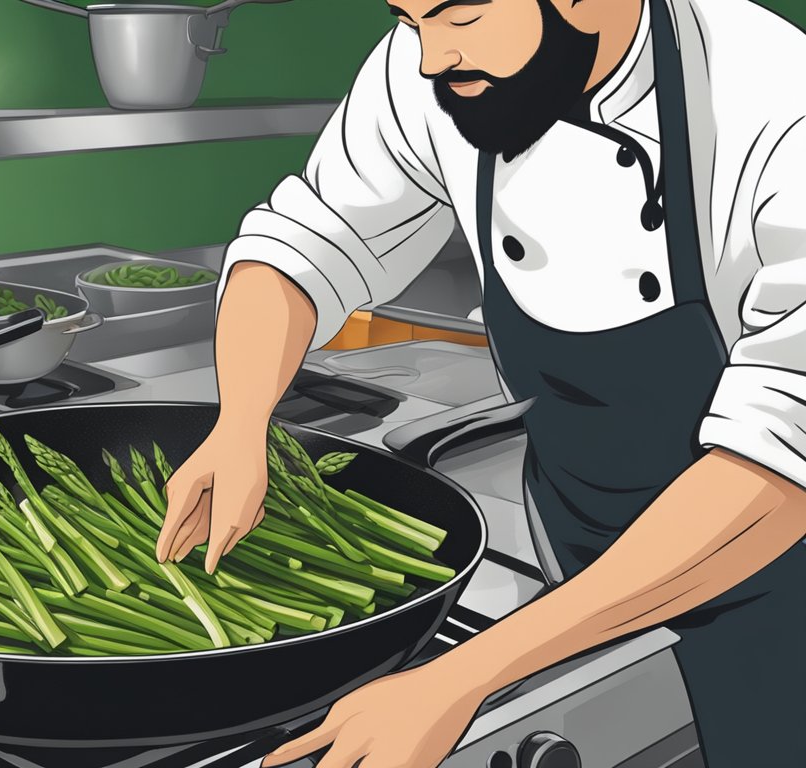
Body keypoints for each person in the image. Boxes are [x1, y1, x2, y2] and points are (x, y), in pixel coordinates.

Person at [154, 0, 806, 765]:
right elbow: (310, 239)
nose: (431, 58)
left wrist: (459, 680)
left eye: (459, 17)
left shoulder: (774, 100)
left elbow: (781, 455)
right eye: (409, 19)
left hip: (770, 571)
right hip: (572, 544)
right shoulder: (430, 65)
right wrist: (241, 424)